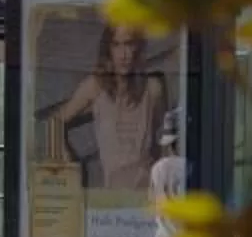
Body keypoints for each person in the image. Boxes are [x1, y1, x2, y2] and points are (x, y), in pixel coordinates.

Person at [41, 22, 173, 195]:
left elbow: (164, 139)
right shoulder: (96, 86)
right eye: (117, 45)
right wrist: (69, 166)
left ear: (137, 48)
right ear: (109, 49)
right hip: (113, 195)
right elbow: (54, 123)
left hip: (148, 193)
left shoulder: (153, 88)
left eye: (129, 44)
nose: (123, 54)